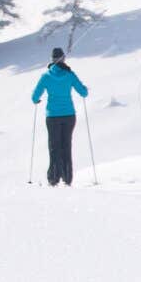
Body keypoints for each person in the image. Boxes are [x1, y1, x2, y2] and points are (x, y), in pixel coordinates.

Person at [31, 47, 88, 187]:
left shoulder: (46, 76)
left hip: (52, 116)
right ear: (63, 58)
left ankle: (53, 178)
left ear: (52, 59)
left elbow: (34, 97)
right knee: (66, 145)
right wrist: (84, 89)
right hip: (69, 115)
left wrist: (37, 101)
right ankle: (67, 178)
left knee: (54, 146)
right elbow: (83, 92)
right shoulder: (70, 75)